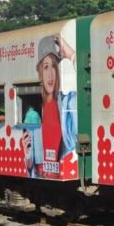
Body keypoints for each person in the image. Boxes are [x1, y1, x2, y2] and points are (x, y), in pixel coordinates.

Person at [22, 35, 77, 178]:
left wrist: (71, 56)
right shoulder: (33, 114)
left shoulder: (69, 102)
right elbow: (30, 168)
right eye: (46, 67)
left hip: (63, 174)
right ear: (40, 73)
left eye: (54, 65)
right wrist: (27, 155)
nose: (50, 73)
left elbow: (92, 79)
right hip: (44, 177)